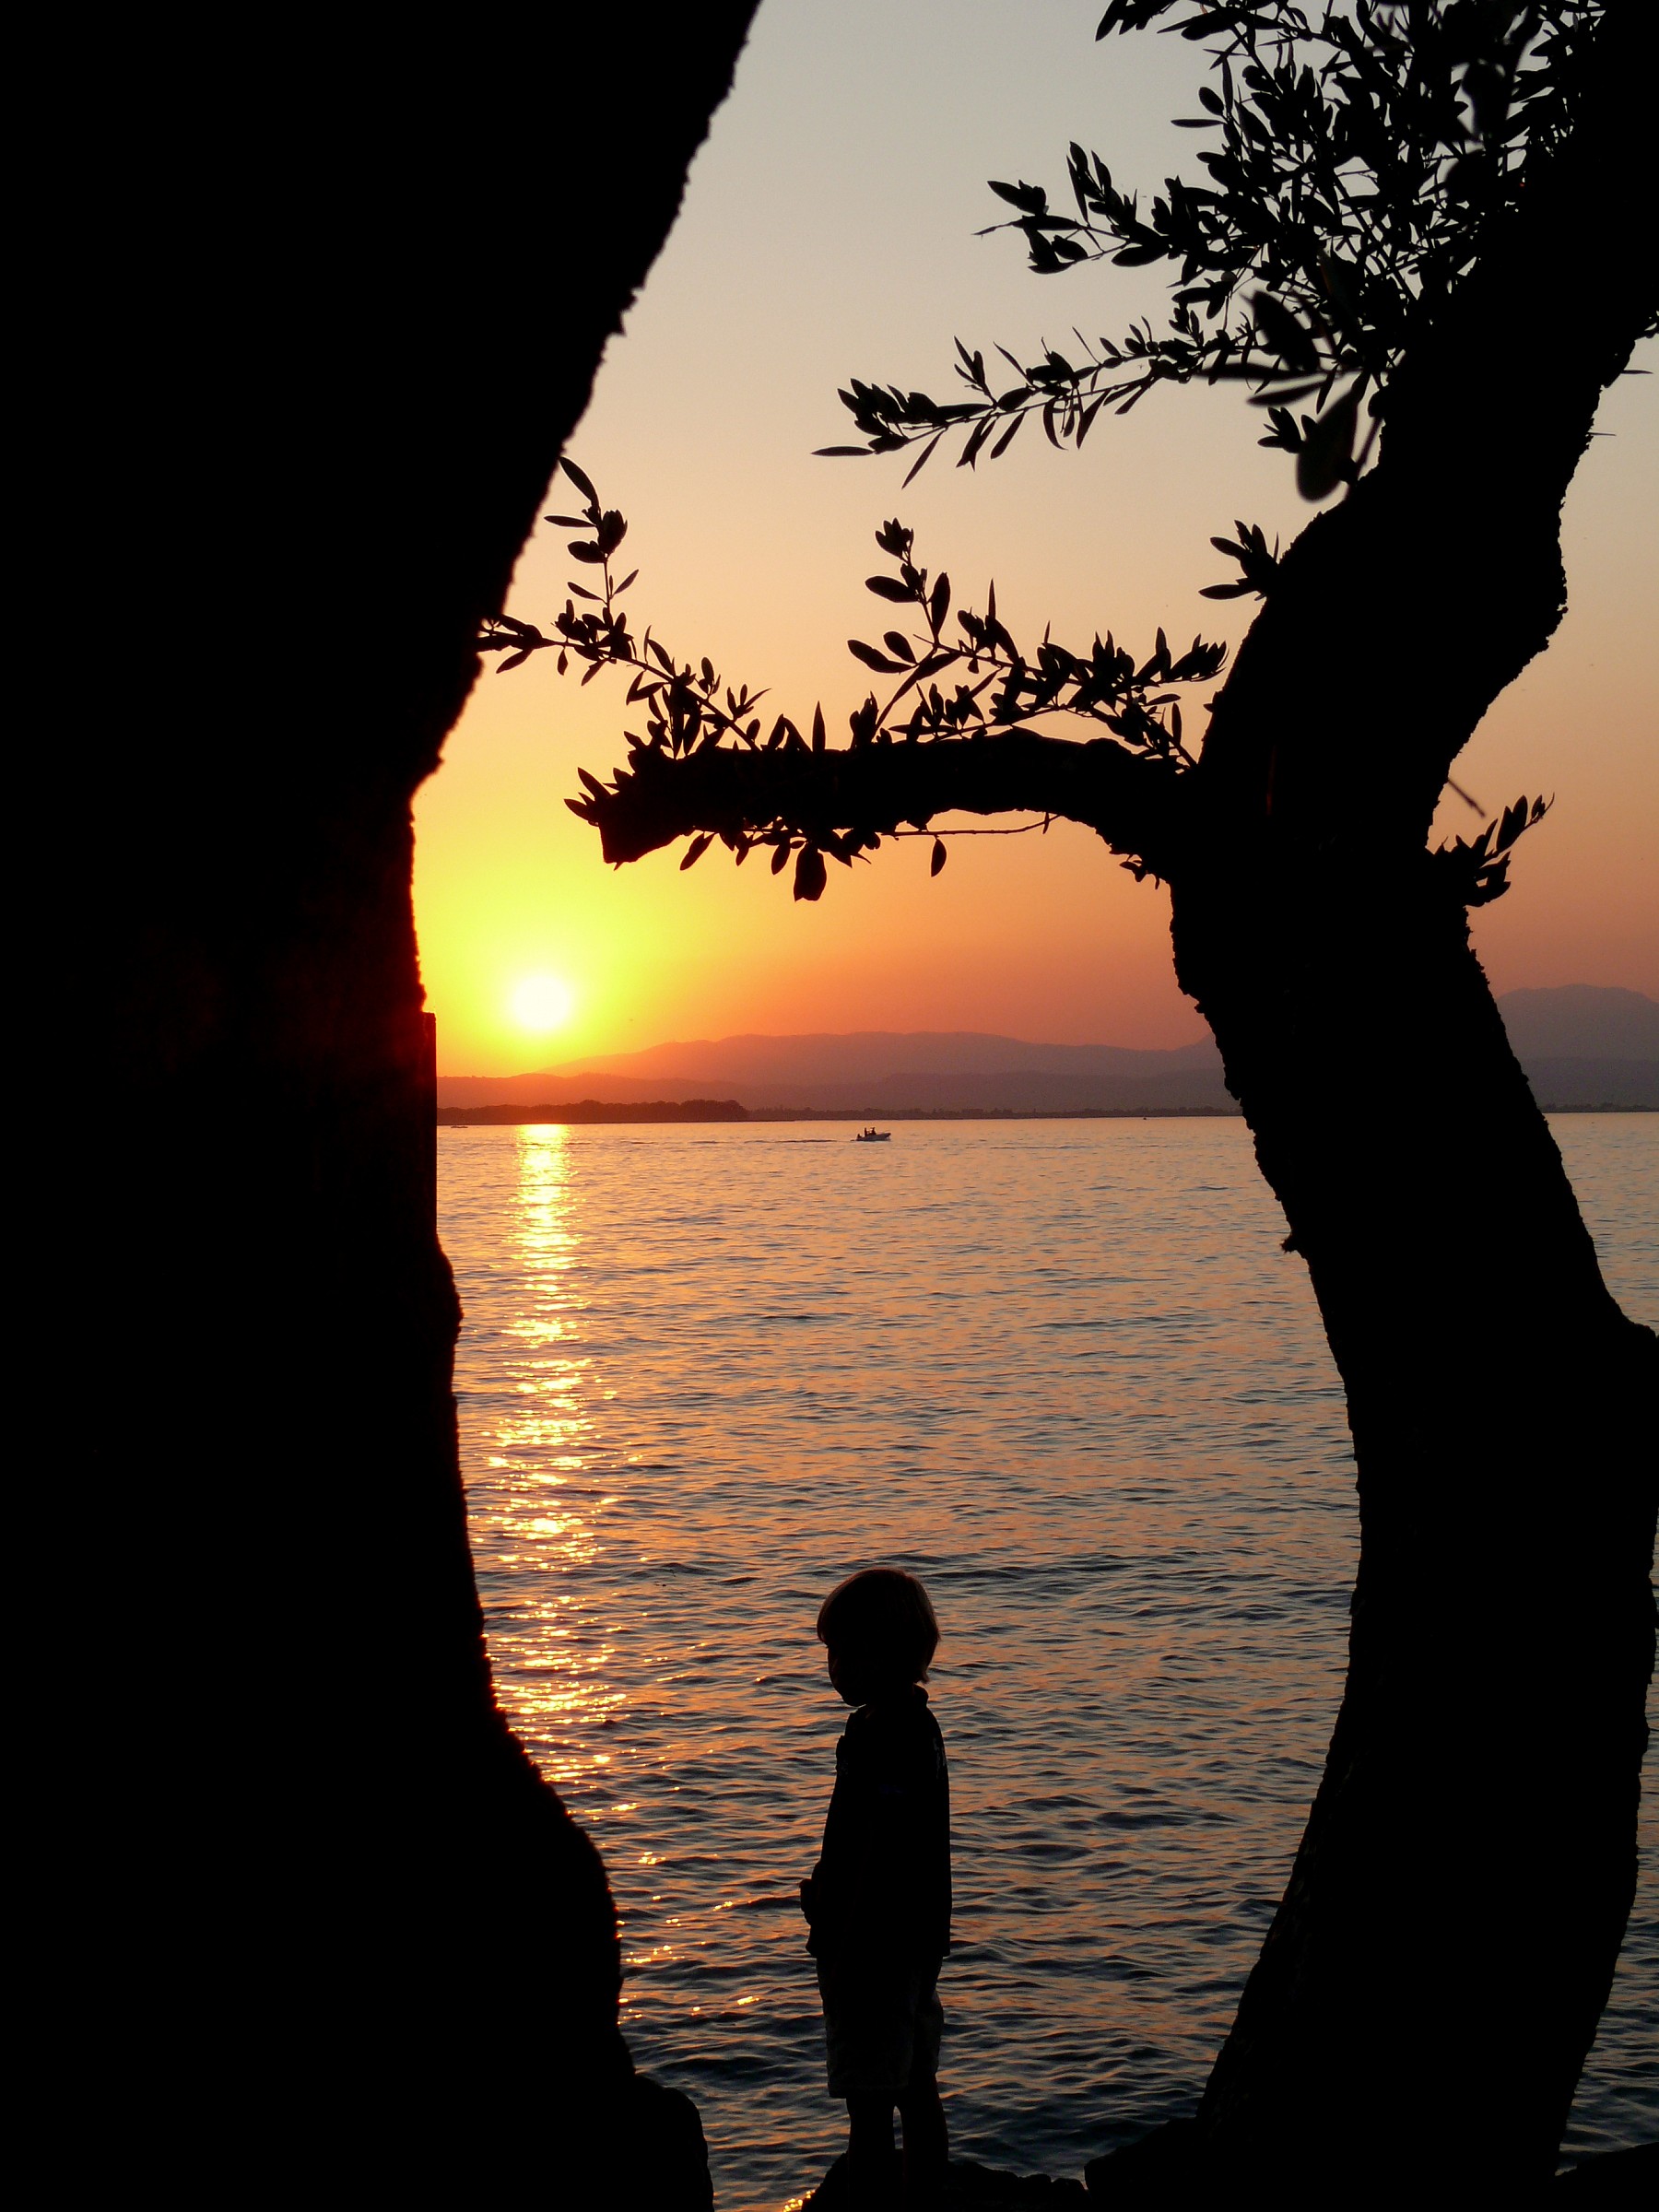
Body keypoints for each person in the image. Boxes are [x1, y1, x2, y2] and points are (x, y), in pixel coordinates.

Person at [801, 1568, 951, 2208]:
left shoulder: (883, 1736)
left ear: (883, 1653)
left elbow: (883, 1844)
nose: (833, 1667)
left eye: (844, 1652)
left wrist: (844, 1929)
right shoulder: (914, 1727)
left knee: (868, 2103)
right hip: (915, 1940)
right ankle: (925, 2204)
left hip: (874, 1947)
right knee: (915, 2086)